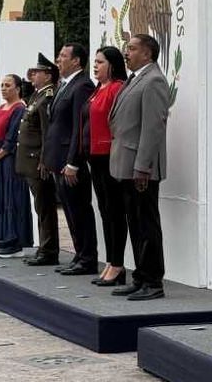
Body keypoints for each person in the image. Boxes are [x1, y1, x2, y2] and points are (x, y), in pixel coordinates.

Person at [109, 35, 170, 301]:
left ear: (147, 54)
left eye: (132, 49)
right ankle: (140, 276)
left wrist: (143, 167)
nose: (126, 52)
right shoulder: (135, 79)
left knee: (146, 224)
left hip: (140, 167)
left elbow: (153, 127)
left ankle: (153, 281)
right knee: (134, 223)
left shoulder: (154, 80)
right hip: (126, 163)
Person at [44, 43, 97, 276]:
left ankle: (87, 258)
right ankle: (79, 254)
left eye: (63, 56)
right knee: (69, 210)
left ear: (76, 61)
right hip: (58, 160)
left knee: (79, 210)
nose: (58, 60)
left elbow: (80, 126)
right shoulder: (64, 85)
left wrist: (73, 161)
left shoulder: (82, 85)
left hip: (71, 161)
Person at [85, 46, 127, 285]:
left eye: (100, 62)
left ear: (112, 64)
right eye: (95, 62)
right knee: (105, 210)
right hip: (95, 156)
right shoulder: (98, 89)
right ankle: (111, 261)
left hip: (109, 155)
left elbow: (117, 124)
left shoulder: (116, 88)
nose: (96, 66)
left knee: (114, 212)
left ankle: (118, 264)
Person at [17, 54, 59, 266]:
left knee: (44, 207)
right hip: (29, 160)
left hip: (37, 160)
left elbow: (46, 133)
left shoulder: (47, 97)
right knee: (40, 206)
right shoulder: (37, 95)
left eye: (38, 72)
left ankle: (48, 250)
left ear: (48, 75)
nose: (33, 75)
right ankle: (45, 247)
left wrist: (45, 160)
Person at [0, 75, 34, 258]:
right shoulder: (1, 108)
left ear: (18, 88)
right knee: (1, 198)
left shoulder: (19, 109)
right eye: (2, 85)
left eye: (8, 85)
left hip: (10, 162)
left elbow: (11, 140)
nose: (3, 88)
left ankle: (15, 241)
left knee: (12, 200)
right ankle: (4, 237)